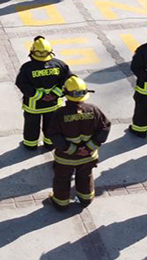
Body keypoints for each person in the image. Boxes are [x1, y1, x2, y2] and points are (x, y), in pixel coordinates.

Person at [46, 75, 111, 210]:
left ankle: (60, 202)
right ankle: (85, 198)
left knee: (62, 179)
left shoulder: (60, 114)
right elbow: (105, 128)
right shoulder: (93, 110)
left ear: (65, 93)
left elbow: (53, 135)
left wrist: (73, 150)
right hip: (88, 156)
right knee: (85, 176)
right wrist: (89, 148)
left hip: (66, 158)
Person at [15, 36, 73, 150]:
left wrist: (40, 95)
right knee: (52, 126)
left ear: (32, 52)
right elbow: (69, 81)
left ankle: (30, 145)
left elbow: (21, 83)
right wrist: (55, 94)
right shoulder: (60, 65)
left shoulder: (27, 68)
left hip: (33, 106)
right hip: (54, 105)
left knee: (31, 126)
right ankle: (50, 144)